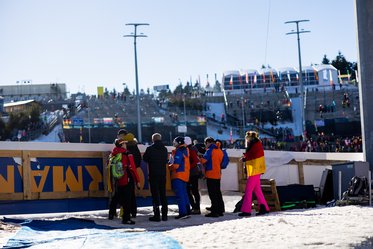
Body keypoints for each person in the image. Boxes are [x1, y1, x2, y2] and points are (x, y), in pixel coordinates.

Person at [108, 138, 141, 224]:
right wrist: (137, 180)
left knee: (117, 196)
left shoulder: (113, 154)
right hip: (127, 178)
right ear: (122, 144)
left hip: (118, 179)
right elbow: (133, 168)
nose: (126, 145)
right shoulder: (127, 154)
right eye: (125, 144)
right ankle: (126, 218)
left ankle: (111, 214)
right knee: (127, 199)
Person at [238, 131, 270, 217]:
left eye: (247, 138)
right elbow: (253, 155)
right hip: (256, 170)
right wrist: (246, 157)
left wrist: (245, 158)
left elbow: (253, 156)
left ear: (250, 138)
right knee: (257, 191)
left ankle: (246, 210)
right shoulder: (256, 144)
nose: (246, 139)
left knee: (248, 190)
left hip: (255, 170)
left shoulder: (255, 145)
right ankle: (264, 208)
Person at [143, 133, 169, 222]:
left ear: (153, 140)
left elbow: (145, 159)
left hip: (153, 174)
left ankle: (157, 215)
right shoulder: (165, 149)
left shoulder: (150, 149)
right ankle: (165, 215)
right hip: (163, 174)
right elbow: (166, 160)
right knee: (163, 194)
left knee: (155, 195)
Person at [117, 129, 141, 218]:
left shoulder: (125, 149)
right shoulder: (135, 146)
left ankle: (125, 214)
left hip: (125, 173)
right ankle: (133, 212)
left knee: (124, 194)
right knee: (131, 193)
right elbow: (138, 160)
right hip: (132, 172)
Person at [200, 137, 225, 218]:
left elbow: (204, 160)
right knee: (218, 193)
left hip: (211, 174)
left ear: (208, 142)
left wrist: (200, 157)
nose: (205, 145)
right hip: (217, 174)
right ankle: (220, 210)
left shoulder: (210, 150)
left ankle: (214, 212)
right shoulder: (219, 150)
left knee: (212, 194)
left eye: (205, 143)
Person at [169, 136, 191, 219]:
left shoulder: (179, 151)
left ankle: (183, 213)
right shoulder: (186, 150)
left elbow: (176, 165)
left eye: (175, 141)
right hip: (185, 175)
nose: (174, 143)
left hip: (178, 175)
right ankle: (187, 211)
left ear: (179, 143)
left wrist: (169, 166)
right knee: (185, 194)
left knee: (180, 195)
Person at [184, 136, 202, 215]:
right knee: (194, 191)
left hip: (192, 173)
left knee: (191, 191)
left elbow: (195, 160)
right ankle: (196, 207)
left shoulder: (190, 150)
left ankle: (195, 208)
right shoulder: (193, 148)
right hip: (194, 173)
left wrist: (188, 167)